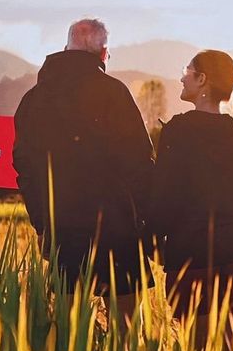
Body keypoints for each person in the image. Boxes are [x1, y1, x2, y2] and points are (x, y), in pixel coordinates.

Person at [12, 18, 154, 306]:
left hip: (63, 228)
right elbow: (140, 161)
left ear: (65, 48)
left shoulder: (33, 100)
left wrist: (43, 225)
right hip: (118, 226)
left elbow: (25, 168)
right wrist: (146, 222)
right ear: (103, 54)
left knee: (68, 328)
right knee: (125, 332)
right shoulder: (114, 92)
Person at [148, 49, 233, 318]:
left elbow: (163, 200)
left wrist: (153, 243)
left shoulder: (178, 131)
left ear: (202, 79)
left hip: (192, 261)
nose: (182, 79)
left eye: (186, 72)